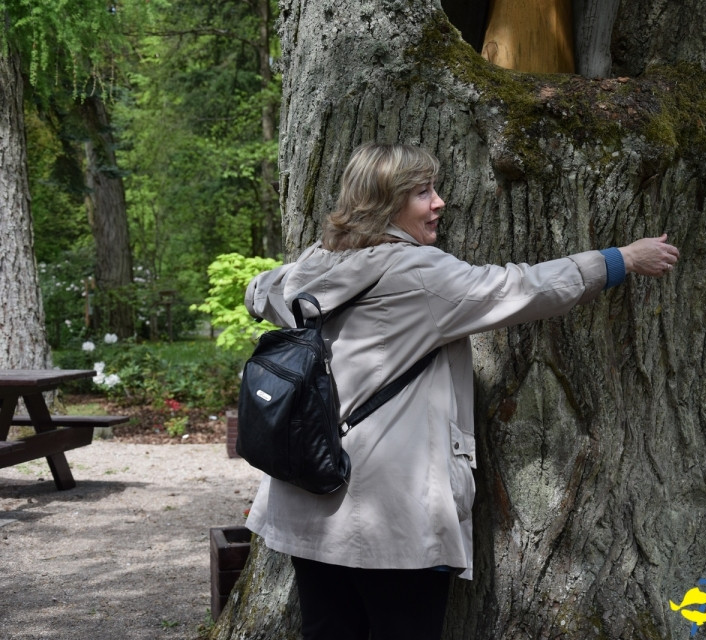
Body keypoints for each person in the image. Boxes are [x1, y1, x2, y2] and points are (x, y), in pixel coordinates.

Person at [243, 142, 679, 640]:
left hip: (309, 500)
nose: (440, 202)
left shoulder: (314, 265)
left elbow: (258, 292)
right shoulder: (418, 273)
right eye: (423, 192)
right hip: (391, 520)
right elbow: (523, 288)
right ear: (387, 204)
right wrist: (621, 259)